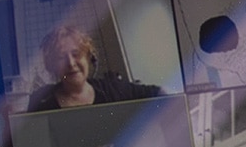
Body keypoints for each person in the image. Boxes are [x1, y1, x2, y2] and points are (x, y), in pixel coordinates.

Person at [27, 26, 163, 111]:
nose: (71, 63)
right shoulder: (41, 101)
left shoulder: (112, 89)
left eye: (76, 54)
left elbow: (157, 93)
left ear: (88, 57)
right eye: (61, 57)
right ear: (52, 66)